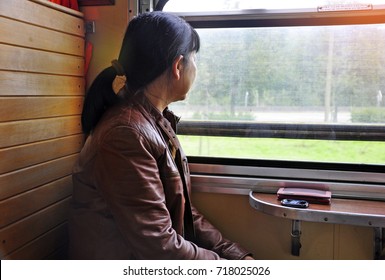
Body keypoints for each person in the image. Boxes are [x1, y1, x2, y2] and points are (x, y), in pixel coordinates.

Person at [68, 11, 252, 260]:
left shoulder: (152, 121)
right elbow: (160, 245)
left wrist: (235, 256)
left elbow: (181, 211)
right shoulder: (126, 134)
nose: (196, 68)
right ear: (178, 66)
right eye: (194, 59)